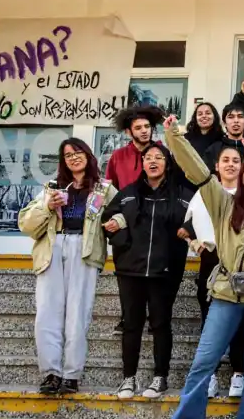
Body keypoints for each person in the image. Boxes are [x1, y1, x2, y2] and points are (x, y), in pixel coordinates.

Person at [164, 115, 244, 419]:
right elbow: (197, 171)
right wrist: (175, 137)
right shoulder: (223, 201)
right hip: (226, 291)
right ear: (242, 176)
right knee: (204, 361)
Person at [18, 138, 118, 395]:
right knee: (47, 313)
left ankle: (72, 375)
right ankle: (51, 373)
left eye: (78, 152)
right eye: (67, 155)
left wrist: (117, 221)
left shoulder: (104, 188)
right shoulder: (51, 188)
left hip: (84, 251)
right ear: (63, 161)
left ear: (88, 155)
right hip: (53, 248)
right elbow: (25, 224)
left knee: (78, 313)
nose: (73, 157)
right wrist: (47, 206)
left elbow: (122, 213)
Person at [102, 142, 192, 400]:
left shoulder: (182, 194)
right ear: (142, 164)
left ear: (167, 163)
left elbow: (199, 219)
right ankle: (128, 378)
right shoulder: (129, 193)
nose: (153, 161)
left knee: (161, 325)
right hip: (130, 271)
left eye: (159, 157)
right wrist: (119, 232)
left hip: (165, 272)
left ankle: (159, 378)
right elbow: (109, 217)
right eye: (148, 158)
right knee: (132, 325)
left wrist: (191, 232)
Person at [184, 145, 244, 399]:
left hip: (241, 261)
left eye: (236, 160)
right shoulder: (203, 192)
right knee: (211, 319)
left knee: (239, 321)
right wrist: (195, 244)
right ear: (217, 166)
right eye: (226, 160)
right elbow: (187, 226)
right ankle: (208, 375)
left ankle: (239, 373)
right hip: (212, 259)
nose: (231, 164)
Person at [105, 105, 165, 336]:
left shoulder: (162, 152)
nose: (143, 131)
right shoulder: (118, 156)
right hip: (126, 224)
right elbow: (110, 190)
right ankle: (127, 317)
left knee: (154, 274)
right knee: (126, 275)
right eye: (138, 128)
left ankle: (154, 317)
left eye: (147, 127)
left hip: (155, 225)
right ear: (129, 132)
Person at [201, 102, 244, 166]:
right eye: (231, 117)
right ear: (224, 123)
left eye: (240, 116)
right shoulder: (214, 149)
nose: (236, 120)